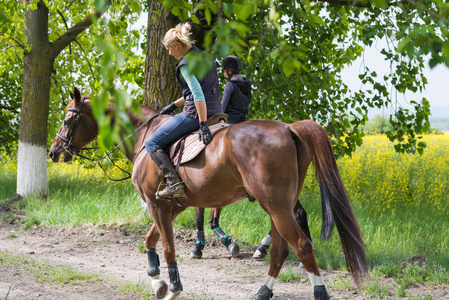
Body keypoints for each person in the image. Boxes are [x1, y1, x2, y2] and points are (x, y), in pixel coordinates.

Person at [145, 23, 222, 200]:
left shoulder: (185, 65)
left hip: (194, 115)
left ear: (176, 45)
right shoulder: (206, 57)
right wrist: (173, 105)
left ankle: (173, 184)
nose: (170, 54)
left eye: (169, 50)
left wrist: (202, 124)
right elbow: (198, 91)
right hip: (216, 111)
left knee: (151, 143)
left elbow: (198, 95)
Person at [220, 55, 252, 125]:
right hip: (243, 122)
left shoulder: (230, 84)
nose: (224, 74)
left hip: (230, 121)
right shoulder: (247, 84)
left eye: (224, 71)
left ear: (230, 70)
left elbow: (222, 107)